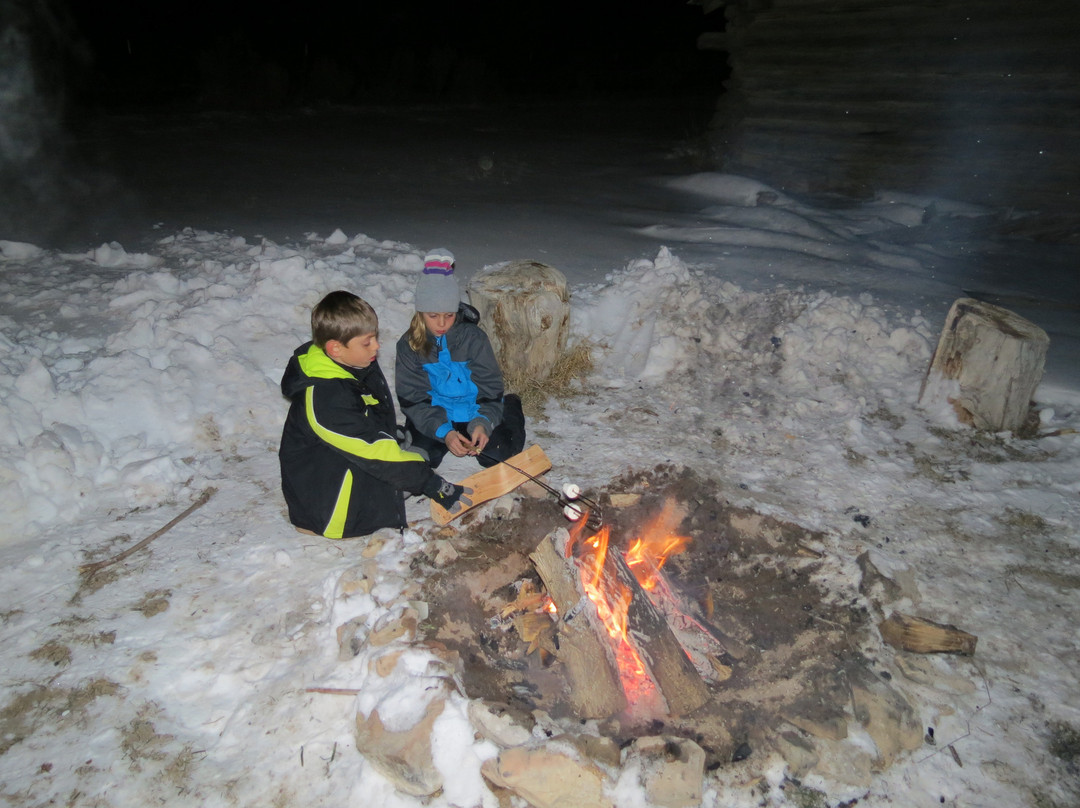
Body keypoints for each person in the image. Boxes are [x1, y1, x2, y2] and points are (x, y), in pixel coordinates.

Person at [279, 290, 471, 539]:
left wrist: (390, 435)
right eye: (367, 342)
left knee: (414, 457)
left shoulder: (349, 362)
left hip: (336, 466)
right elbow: (372, 451)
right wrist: (433, 485)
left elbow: (363, 413)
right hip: (328, 509)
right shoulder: (326, 397)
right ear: (335, 348)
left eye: (375, 338)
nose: (377, 346)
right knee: (404, 466)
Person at [395, 248, 525, 469]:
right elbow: (413, 398)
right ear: (420, 313)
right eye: (433, 316)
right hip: (436, 414)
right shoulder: (409, 345)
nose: (442, 323)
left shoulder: (473, 339)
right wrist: (444, 432)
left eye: (449, 315)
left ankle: (510, 406)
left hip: (473, 410)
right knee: (421, 458)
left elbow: (489, 388)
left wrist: (482, 423)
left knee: (497, 455)